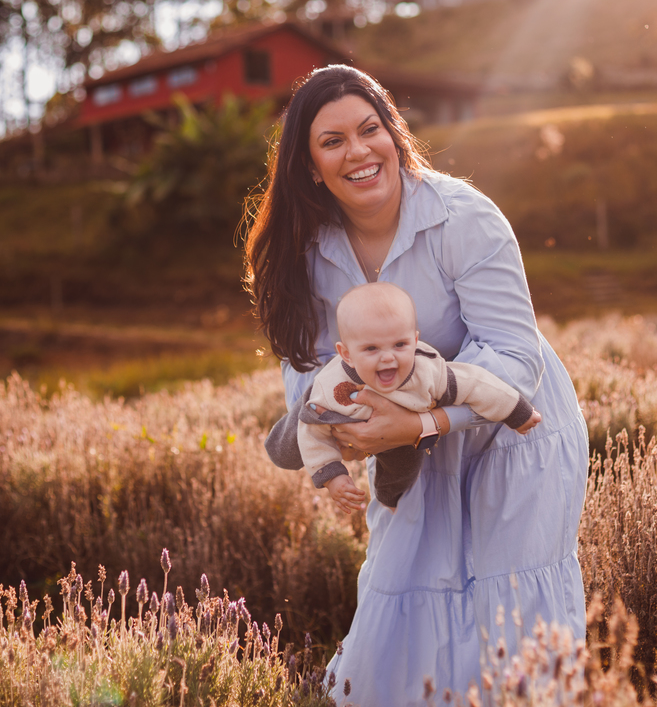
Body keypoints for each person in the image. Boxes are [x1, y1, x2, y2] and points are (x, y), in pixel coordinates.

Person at [244, 65, 587, 704]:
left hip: (513, 429)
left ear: (394, 136)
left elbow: (515, 357)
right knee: (402, 598)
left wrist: (424, 422)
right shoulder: (304, 251)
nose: (359, 151)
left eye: (370, 129)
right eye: (333, 141)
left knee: (512, 616)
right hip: (406, 450)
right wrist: (349, 433)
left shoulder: (463, 217)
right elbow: (307, 378)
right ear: (310, 166)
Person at [297, 281, 542, 514]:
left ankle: (392, 499)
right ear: (347, 354)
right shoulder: (331, 388)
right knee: (301, 428)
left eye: (400, 344)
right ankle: (279, 449)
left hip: (407, 422)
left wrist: (517, 412)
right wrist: (333, 476)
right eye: (371, 348)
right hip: (348, 414)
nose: (388, 357)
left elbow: (476, 383)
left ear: (415, 341)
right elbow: (311, 431)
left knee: (402, 463)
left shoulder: (427, 372)